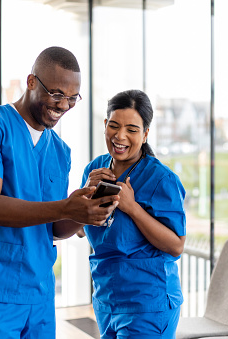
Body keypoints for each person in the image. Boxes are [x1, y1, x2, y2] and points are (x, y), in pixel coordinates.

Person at [0, 46, 119, 339]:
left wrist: (84, 209)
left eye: (72, 98)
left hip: (39, 295)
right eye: (56, 94)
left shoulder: (59, 150)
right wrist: (65, 207)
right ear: (31, 82)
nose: (64, 105)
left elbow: (54, 228)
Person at [78, 89, 186, 338]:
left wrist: (132, 208)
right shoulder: (94, 170)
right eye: (114, 126)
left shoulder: (161, 179)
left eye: (132, 130)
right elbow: (80, 232)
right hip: (107, 299)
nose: (120, 136)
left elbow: (176, 246)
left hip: (148, 302)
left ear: (145, 133)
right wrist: (85, 194)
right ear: (105, 125)